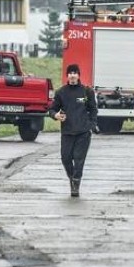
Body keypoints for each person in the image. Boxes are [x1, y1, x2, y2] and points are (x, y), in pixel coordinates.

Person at [49, 64, 98, 197]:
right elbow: (52, 109)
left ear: (78, 75)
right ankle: (72, 178)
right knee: (65, 158)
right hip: (67, 132)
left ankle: (76, 184)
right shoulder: (61, 93)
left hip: (83, 132)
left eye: (75, 73)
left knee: (78, 159)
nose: (72, 75)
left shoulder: (86, 92)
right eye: (70, 73)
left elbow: (93, 109)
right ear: (67, 76)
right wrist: (56, 115)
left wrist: (92, 124)